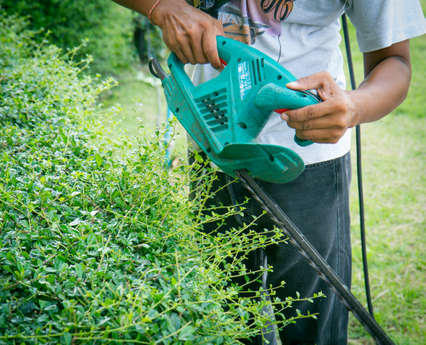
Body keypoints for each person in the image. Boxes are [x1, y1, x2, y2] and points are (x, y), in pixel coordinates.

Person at [113, 1, 425, 344]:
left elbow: (394, 62)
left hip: (307, 161)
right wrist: (162, 7)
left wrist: (353, 107)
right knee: (222, 319)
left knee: (311, 325)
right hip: (213, 147)